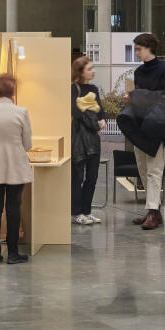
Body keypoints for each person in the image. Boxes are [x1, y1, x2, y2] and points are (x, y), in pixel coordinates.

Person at [117, 33, 165, 231]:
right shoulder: (139, 72)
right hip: (140, 125)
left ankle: (152, 211)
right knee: (143, 169)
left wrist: (138, 96)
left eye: (138, 49)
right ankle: (154, 211)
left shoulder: (164, 70)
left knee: (154, 170)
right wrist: (132, 99)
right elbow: (141, 97)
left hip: (156, 126)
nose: (136, 53)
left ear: (149, 48)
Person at [0, 74, 33, 264]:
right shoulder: (21, 112)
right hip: (16, 167)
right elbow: (27, 144)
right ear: (12, 92)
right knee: (13, 208)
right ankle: (12, 253)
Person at [70, 56, 105, 225]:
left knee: (92, 177)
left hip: (93, 139)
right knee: (77, 177)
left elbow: (100, 110)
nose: (93, 71)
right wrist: (94, 123)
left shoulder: (94, 88)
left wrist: (102, 119)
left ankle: (87, 211)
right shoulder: (73, 89)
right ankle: (77, 213)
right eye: (90, 68)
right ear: (80, 71)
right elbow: (76, 113)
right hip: (78, 139)